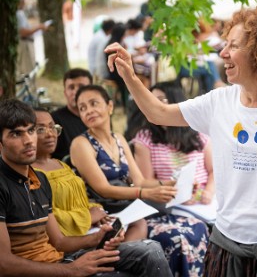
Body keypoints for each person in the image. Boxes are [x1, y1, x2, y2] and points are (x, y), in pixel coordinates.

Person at [105, 6, 257, 277]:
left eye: (233, 46)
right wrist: (129, 76)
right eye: (224, 45)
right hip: (224, 245)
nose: (222, 53)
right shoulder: (219, 101)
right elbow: (158, 113)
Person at [0, 99, 173, 277]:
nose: (28, 140)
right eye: (15, 134)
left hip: (59, 259)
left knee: (151, 250)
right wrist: (71, 270)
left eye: (30, 131)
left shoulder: (40, 179)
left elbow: (59, 242)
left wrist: (96, 238)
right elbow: (4, 264)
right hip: (44, 269)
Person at [70, 85, 210, 277]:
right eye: (82, 108)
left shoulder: (118, 138)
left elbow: (140, 180)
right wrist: (144, 193)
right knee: (177, 236)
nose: (89, 110)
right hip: (108, 214)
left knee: (196, 226)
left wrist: (170, 184)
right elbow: (103, 189)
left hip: (133, 210)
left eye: (94, 103)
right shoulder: (81, 144)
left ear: (110, 106)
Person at [32, 108, 147, 240]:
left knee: (139, 223)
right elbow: (47, 217)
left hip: (90, 227)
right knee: (147, 250)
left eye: (52, 127)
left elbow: (81, 202)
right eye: (40, 129)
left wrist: (97, 212)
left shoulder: (60, 164)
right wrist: (88, 217)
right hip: (69, 239)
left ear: (110, 106)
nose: (50, 134)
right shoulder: (30, 174)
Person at [130, 81, 215, 205]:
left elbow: (214, 170)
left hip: (205, 203)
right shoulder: (145, 138)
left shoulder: (198, 131)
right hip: (170, 203)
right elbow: (146, 182)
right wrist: (177, 194)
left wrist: (208, 192)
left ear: (176, 101)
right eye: (152, 101)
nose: (155, 106)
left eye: (161, 100)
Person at [51, 68, 92, 160]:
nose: (75, 92)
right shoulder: (54, 120)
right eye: (71, 87)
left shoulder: (99, 116)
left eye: (81, 87)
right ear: (65, 93)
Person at [16, 0, 49, 80]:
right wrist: (39, 27)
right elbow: (23, 32)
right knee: (28, 72)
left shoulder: (21, 13)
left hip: (27, 43)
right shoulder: (18, 13)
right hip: (25, 44)